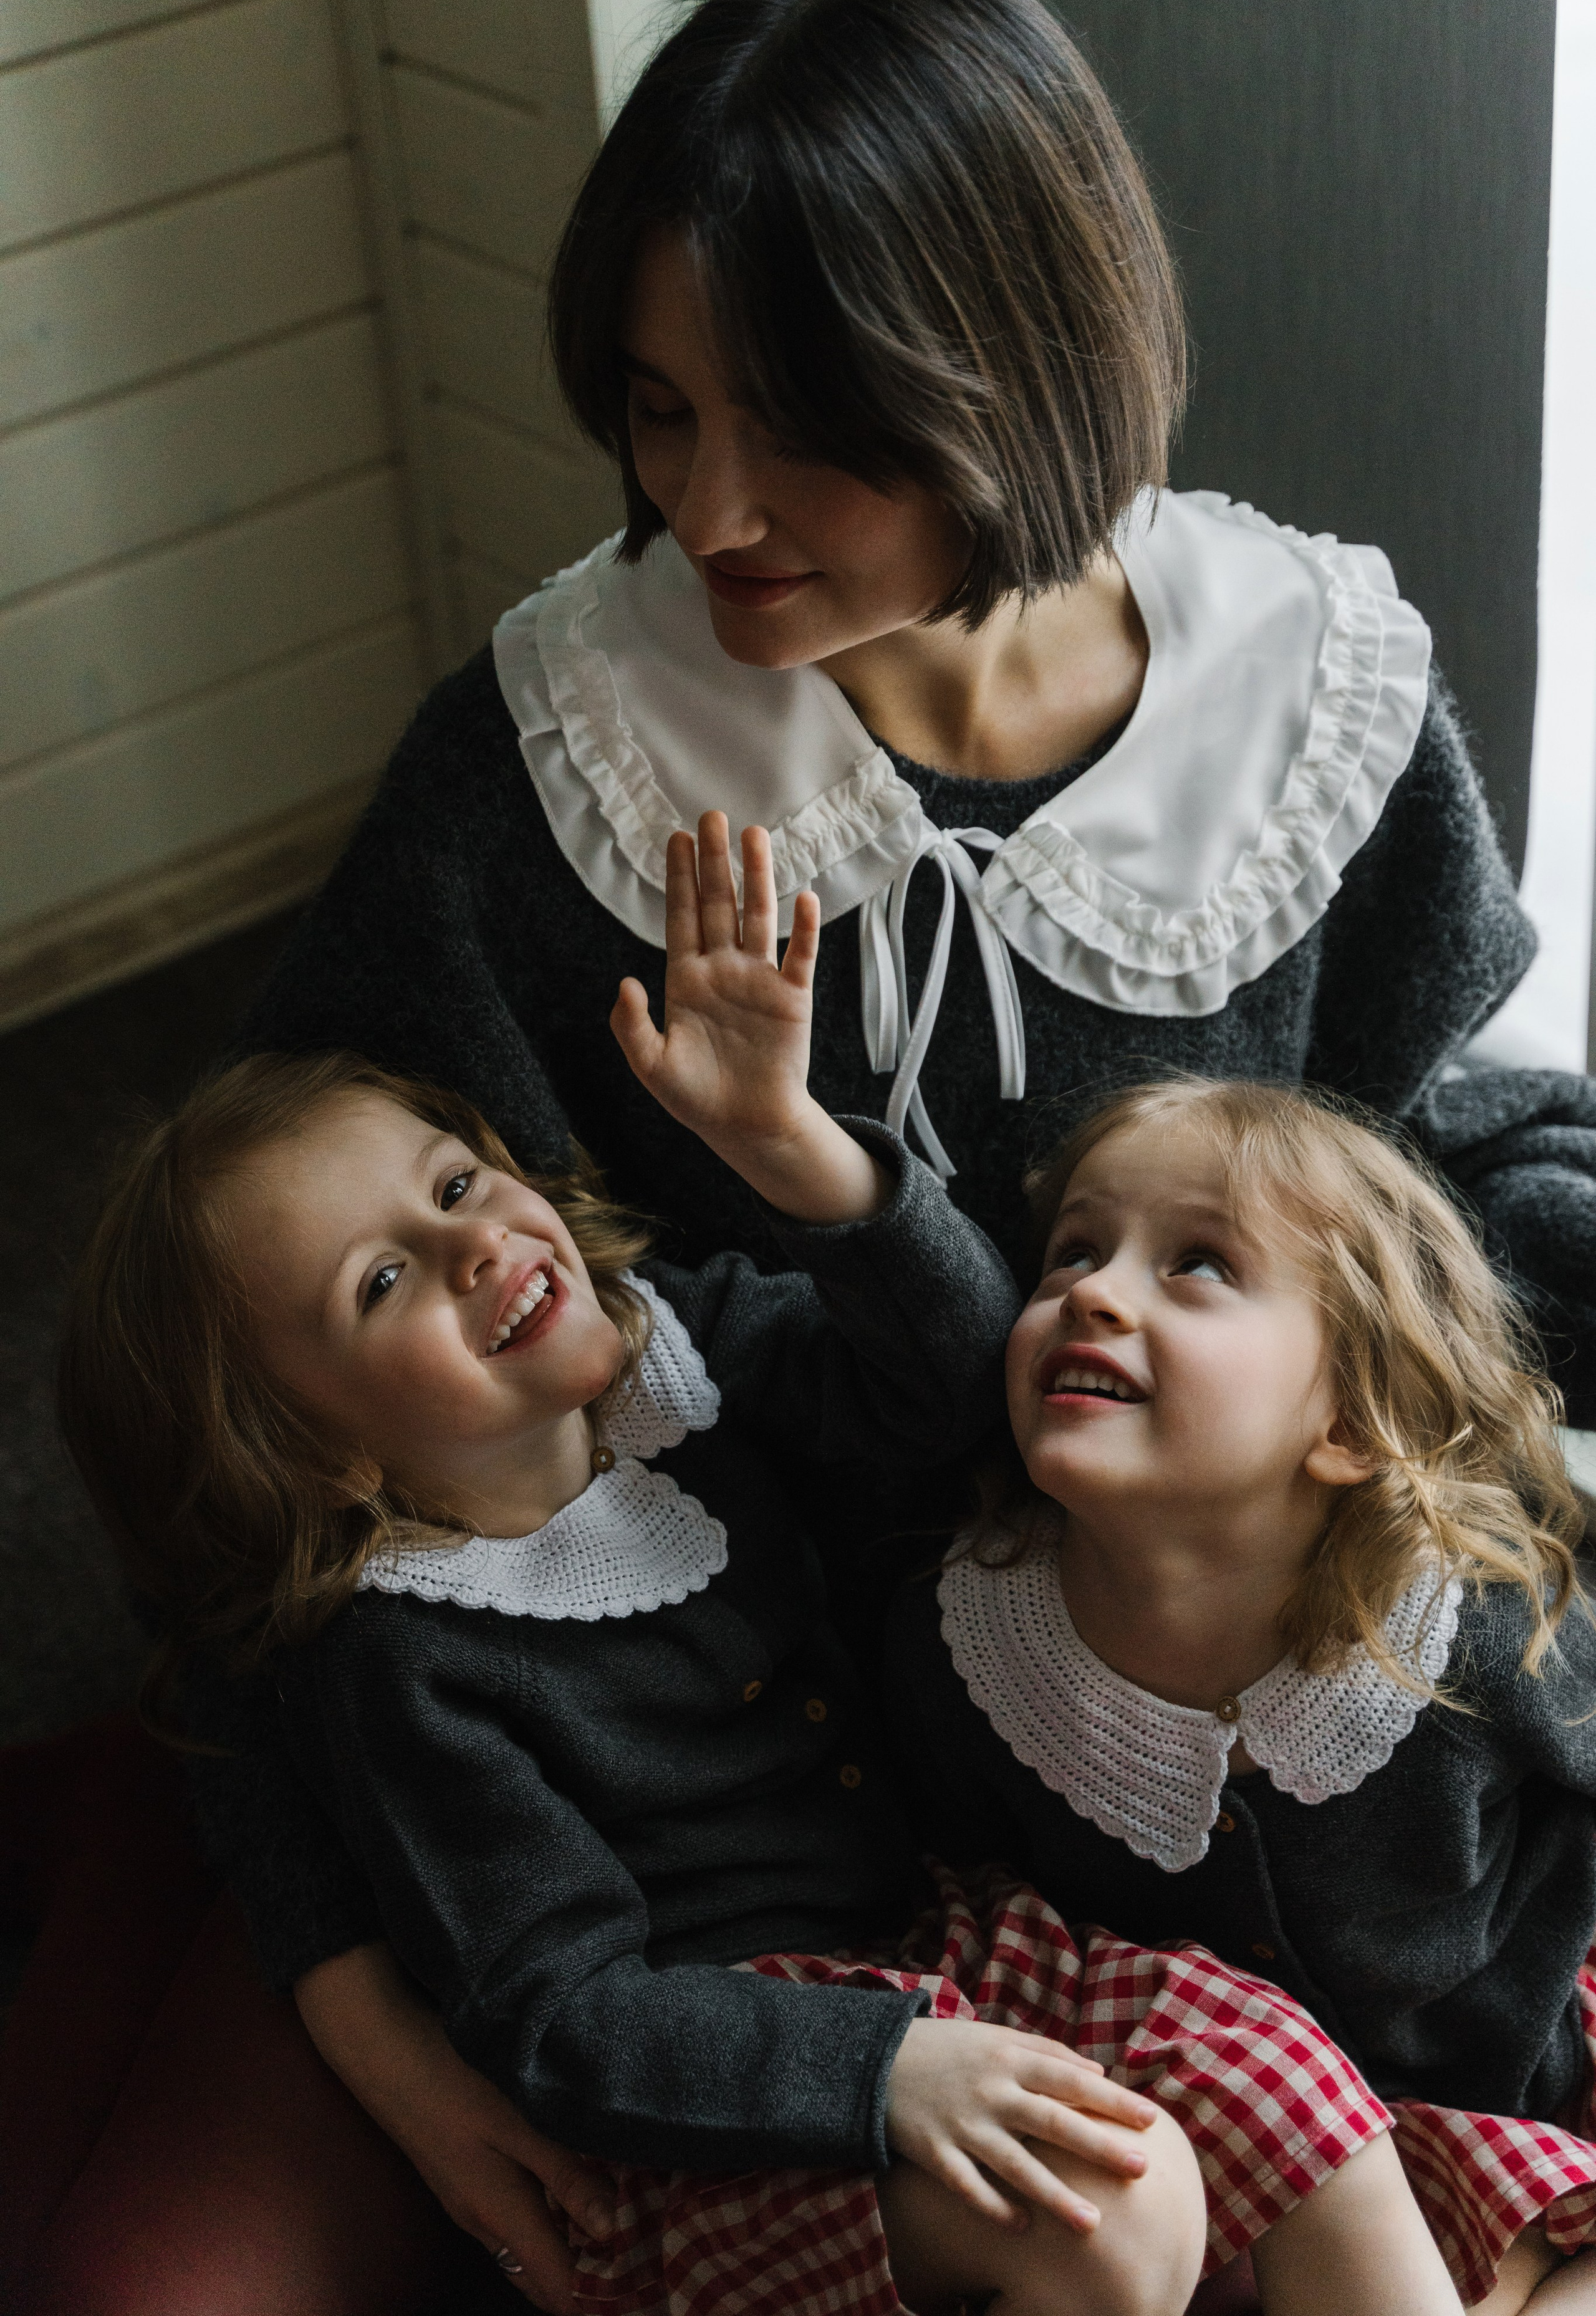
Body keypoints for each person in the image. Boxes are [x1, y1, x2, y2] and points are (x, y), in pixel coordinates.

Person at [11, 0, 1596, 2307]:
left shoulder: (1311, 707)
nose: (710, 511)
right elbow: (246, 1445)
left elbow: (1383, 1194)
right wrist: (376, 2026)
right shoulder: (541, 779)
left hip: (1196, 1755)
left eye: (802, 422)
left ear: (1011, 366)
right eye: (655, 410)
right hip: (700, 1826)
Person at [52, 825, 1463, 2316]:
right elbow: (564, 2019)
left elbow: (951, 1382)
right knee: (1102, 2207)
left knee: (1276, 2069)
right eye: (383, 1281)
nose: (473, 1245)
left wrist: (789, 1143)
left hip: (942, 1937)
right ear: (318, 1460)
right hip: (715, 2114)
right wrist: (883, 2067)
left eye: (456, 1186)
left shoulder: (676, 1350)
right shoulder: (406, 1661)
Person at [886, 1076, 1596, 2312]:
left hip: (1502, 2096)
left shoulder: (1474, 1629)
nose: (1091, 1293)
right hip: (1240, 2169)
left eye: (1198, 1265)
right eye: (1070, 1253)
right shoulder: (965, 1641)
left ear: (1350, 1424)